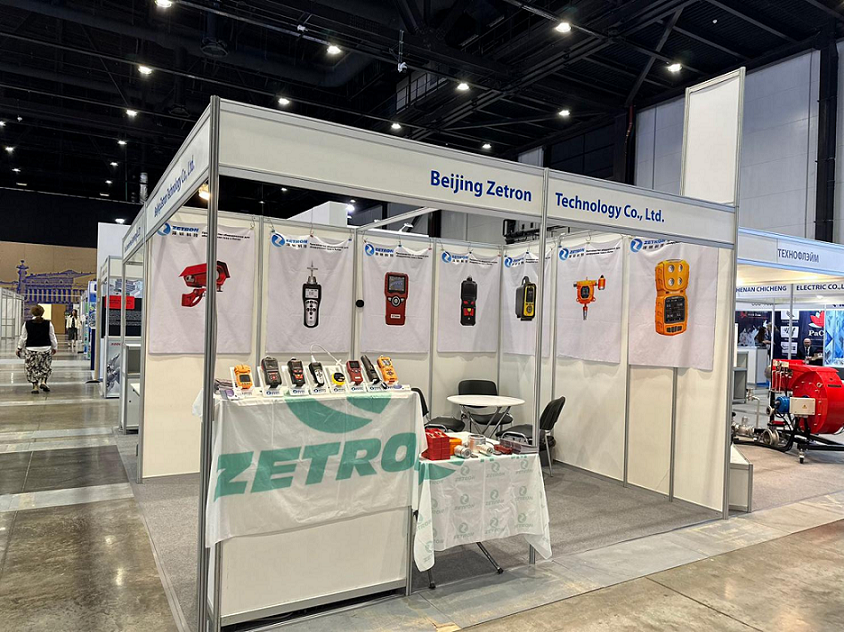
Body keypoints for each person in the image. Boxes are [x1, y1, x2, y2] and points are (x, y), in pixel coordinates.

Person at [16, 305, 58, 394]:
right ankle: (43, 382)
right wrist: (55, 347)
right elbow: (52, 336)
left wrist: (19, 348)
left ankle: (35, 386)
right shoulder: (48, 324)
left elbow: (23, 337)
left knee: (31, 368)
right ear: (42, 313)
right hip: (45, 348)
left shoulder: (27, 324)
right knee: (45, 366)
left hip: (31, 349)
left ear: (32, 313)